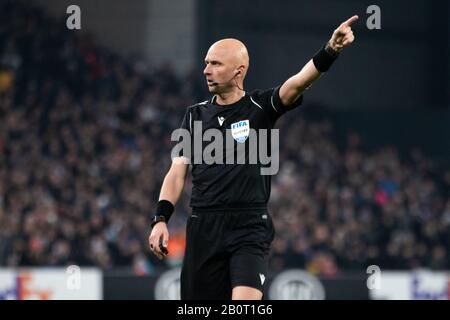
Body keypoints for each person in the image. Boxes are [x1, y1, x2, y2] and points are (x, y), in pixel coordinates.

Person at [149, 15, 358, 300]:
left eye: (215, 64)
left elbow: (297, 84)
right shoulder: (194, 114)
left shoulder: (261, 107)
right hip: (203, 227)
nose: (206, 70)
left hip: (248, 227)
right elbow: (176, 172)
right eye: (206, 63)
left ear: (239, 70)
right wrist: (161, 218)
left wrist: (331, 50)